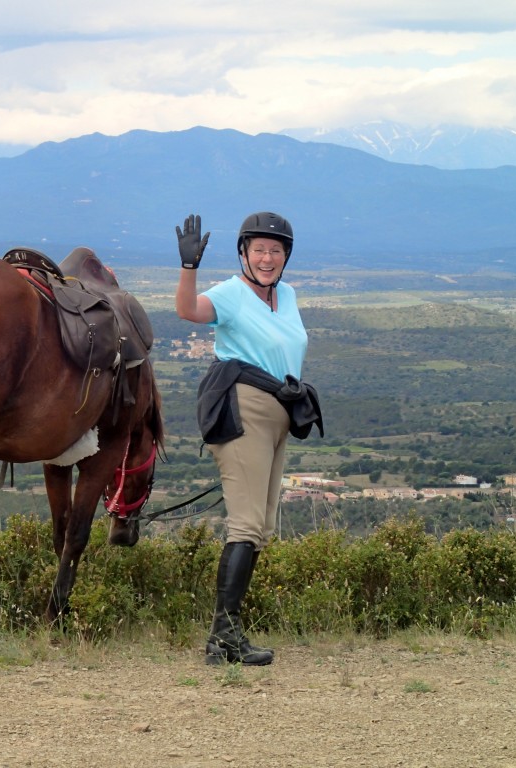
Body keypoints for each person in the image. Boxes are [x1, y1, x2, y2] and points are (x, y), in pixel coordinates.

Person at [174, 211, 323, 666]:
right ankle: (222, 639)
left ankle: (230, 633)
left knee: (260, 527)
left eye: (276, 250)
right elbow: (189, 311)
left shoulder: (289, 295)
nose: (267, 257)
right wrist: (188, 268)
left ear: (286, 257)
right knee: (245, 523)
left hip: (278, 416)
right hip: (244, 411)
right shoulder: (232, 294)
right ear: (243, 252)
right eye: (259, 249)